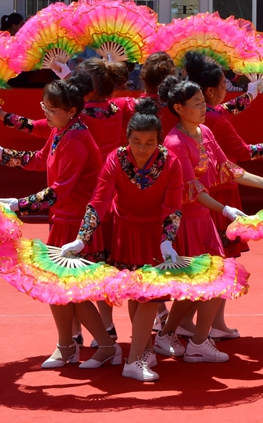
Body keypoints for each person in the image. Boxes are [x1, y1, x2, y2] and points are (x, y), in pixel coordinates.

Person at [0, 75, 119, 370]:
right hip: (62, 219)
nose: (46, 113)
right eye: (44, 107)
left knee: (72, 291)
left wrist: (18, 205)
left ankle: (107, 346)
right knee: (56, 290)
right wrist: (2, 154)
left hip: (77, 225)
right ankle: (66, 345)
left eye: (52, 109)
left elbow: (60, 190)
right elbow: (39, 159)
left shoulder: (76, 139)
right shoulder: (61, 130)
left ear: (71, 111)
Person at [156, 76, 263, 363]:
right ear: (178, 108)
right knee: (211, 282)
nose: (204, 108)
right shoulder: (175, 143)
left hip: (204, 218)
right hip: (184, 222)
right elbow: (192, 190)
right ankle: (195, 341)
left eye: (203, 102)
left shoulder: (204, 131)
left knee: (206, 283)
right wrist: (226, 210)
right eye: (197, 104)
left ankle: (170, 336)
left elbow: (227, 168)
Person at [74, 99, 186, 381]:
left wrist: (167, 240)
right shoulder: (115, 159)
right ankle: (139, 355)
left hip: (156, 235)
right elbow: (100, 199)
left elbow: (173, 206)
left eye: (149, 143)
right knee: (138, 295)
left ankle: (138, 356)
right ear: (127, 138)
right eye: (136, 141)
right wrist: (82, 238)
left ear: (159, 141)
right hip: (126, 232)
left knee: (148, 296)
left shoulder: (171, 162)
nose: (142, 148)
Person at [182, 51, 263, 265]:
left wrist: (250, 96)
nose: (225, 89)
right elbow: (244, 151)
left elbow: (223, 110)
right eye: (223, 85)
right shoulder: (216, 121)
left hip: (195, 188)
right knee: (215, 257)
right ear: (210, 91)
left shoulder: (197, 113)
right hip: (219, 190)